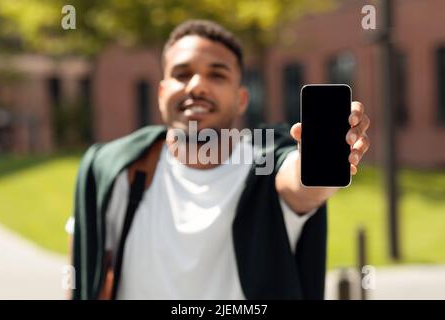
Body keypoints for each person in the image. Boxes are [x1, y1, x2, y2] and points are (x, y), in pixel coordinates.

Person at [68, 19, 370, 300]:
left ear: (241, 99)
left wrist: (319, 165)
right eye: (182, 73)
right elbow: (80, 271)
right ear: (161, 94)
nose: (197, 85)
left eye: (217, 73)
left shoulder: (265, 163)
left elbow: (300, 185)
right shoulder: (113, 170)